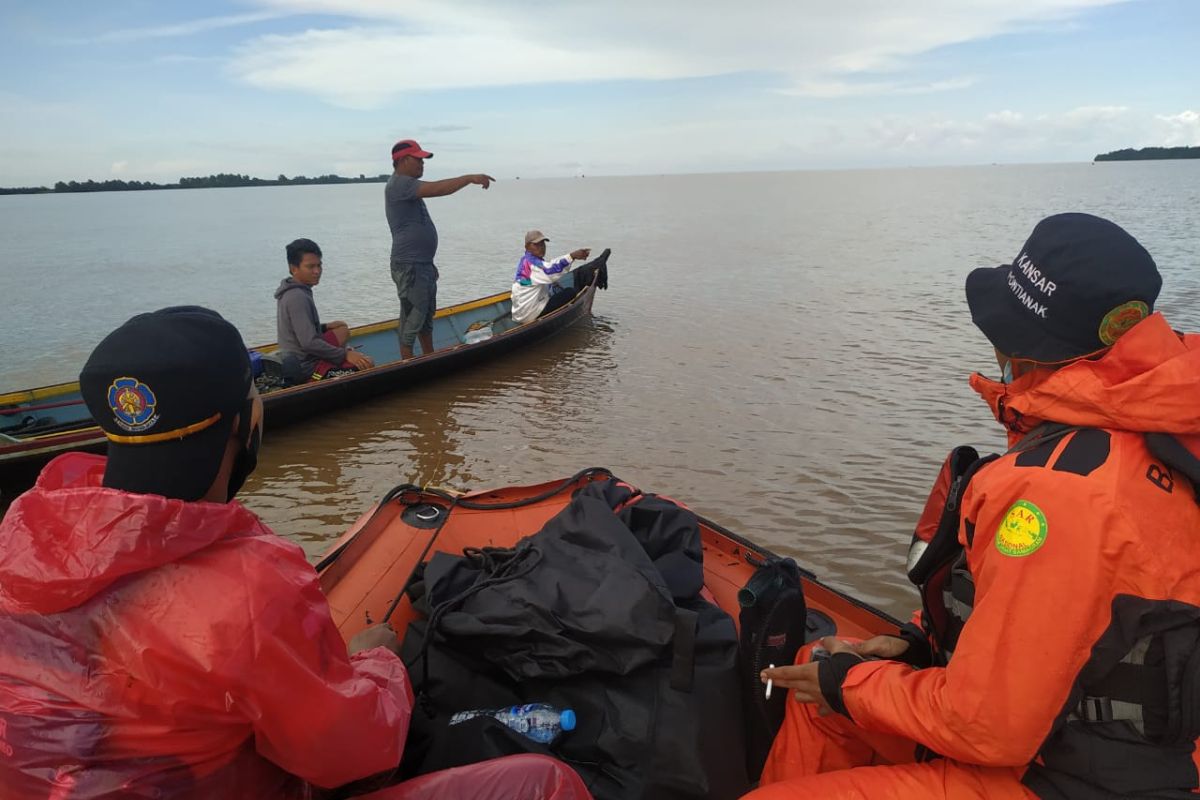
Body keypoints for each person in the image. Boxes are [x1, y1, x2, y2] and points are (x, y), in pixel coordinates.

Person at [0, 307, 594, 800]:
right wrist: (377, 664)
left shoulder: (23, 535)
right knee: (547, 783)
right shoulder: (251, 584)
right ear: (243, 423)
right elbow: (355, 756)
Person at [746, 213, 1200, 799]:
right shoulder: (1154, 420)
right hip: (1085, 733)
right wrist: (915, 642)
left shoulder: (1060, 490)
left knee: (830, 695)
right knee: (822, 688)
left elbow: (989, 728)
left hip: (1069, 775)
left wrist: (853, 684)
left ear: (1032, 349)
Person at [386, 138, 494, 359]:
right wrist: (469, 178)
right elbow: (438, 189)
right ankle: (407, 363)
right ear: (404, 160)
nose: (422, 165)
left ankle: (428, 356)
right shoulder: (400, 184)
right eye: (419, 160)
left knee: (425, 315)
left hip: (421, 264)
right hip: (410, 265)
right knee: (412, 317)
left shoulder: (408, 187)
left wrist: (428, 263)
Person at [276, 237, 374, 384]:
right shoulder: (297, 297)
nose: (317, 271)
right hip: (306, 367)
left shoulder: (294, 290)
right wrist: (344, 355)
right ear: (294, 269)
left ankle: (335, 360)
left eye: (319, 265)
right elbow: (309, 343)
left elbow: (299, 328)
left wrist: (325, 327)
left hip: (301, 355)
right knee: (368, 364)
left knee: (341, 328)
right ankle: (320, 375)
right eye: (310, 267)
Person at [510, 229, 593, 324]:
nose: (541, 247)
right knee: (570, 292)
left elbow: (532, 280)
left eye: (543, 244)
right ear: (527, 247)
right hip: (530, 314)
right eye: (536, 244)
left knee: (549, 286)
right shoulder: (533, 265)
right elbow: (550, 270)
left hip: (517, 314)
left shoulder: (524, 261)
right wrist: (572, 256)